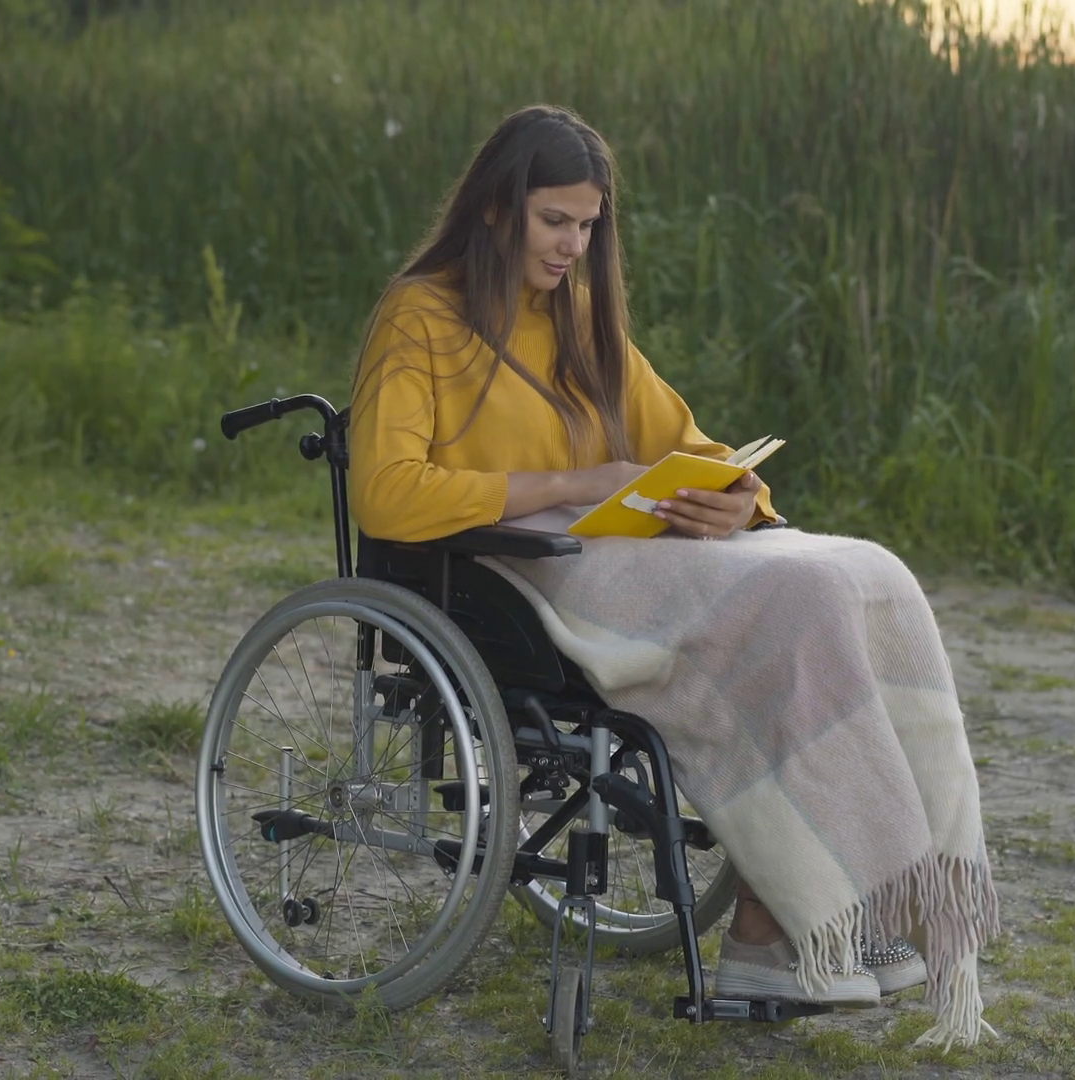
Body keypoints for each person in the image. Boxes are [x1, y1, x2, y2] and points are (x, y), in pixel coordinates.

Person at [348, 105, 997, 1038]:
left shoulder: (578, 318)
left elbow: (688, 446)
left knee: (867, 574)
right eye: (554, 221)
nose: (573, 246)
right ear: (495, 207)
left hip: (614, 549)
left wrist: (742, 500)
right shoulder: (422, 315)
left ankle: (842, 909)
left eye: (587, 225)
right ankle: (789, 921)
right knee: (798, 596)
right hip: (511, 569)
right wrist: (578, 482)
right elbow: (386, 494)